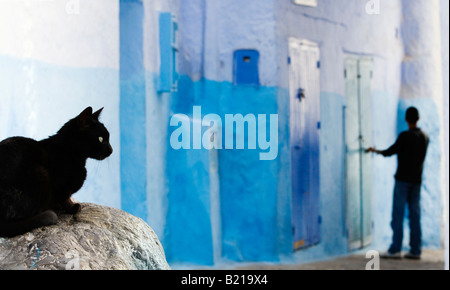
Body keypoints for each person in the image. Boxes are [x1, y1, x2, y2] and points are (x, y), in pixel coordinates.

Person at [366, 107, 429, 260]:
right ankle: (416, 250)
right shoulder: (425, 137)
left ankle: (395, 249)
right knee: (415, 215)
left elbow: (390, 151)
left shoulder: (404, 136)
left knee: (398, 215)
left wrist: (375, 151)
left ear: (406, 119)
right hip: (416, 182)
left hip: (402, 181)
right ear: (418, 118)